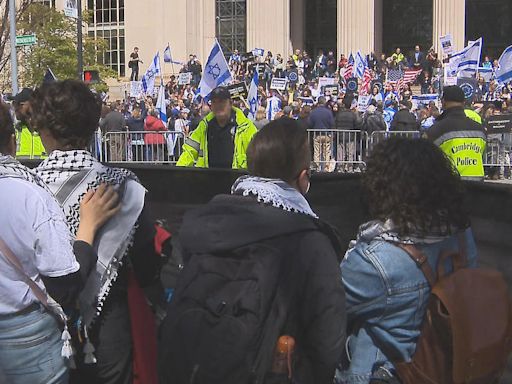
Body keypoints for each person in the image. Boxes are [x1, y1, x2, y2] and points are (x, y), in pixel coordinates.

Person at [160, 118, 346, 384]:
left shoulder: (207, 222)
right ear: (304, 178)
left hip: (190, 369)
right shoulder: (311, 242)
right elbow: (328, 340)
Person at [31, 80, 160, 384]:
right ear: (92, 126)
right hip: (108, 326)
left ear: (43, 131)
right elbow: (146, 261)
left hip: (42, 324)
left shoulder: (28, 188)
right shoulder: (123, 185)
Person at [336, 137, 478, 384]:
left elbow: (331, 308)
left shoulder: (376, 260)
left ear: (381, 187)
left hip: (384, 373)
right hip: (448, 368)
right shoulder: (462, 237)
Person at [0, 101, 120, 384]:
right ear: (12, 141)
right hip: (27, 341)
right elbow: (64, 284)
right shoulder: (28, 195)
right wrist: (88, 226)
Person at [177, 86, 257, 169]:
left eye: (222, 101)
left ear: (230, 103)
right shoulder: (204, 126)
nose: (218, 105)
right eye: (214, 102)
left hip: (237, 179)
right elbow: (189, 151)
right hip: (209, 179)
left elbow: (258, 155)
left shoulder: (246, 127)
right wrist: (177, 174)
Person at [425, 86, 487, 181]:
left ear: (443, 102)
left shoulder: (436, 130)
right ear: (464, 102)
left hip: (450, 187)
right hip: (477, 187)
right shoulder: (480, 129)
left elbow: (426, 159)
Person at [9, 88, 46, 159]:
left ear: (31, 105)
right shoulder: (14, 131)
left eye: (18, 104)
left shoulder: (48, 132)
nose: (15, 108)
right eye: (13, 104)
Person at [309, 96, 335, 171]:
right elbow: (332, 123)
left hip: (317, 134)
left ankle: (316, 167)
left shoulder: (313, 112)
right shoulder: (328, 112)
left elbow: (310, 123)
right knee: (327, 152)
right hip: (327, 134)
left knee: (317, 152)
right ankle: (326, 167)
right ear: (324, 102)